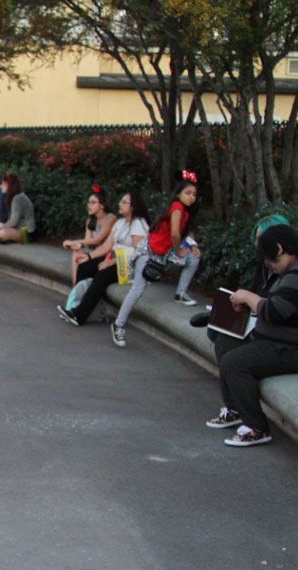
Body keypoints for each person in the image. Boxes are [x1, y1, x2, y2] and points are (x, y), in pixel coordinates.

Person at [213, 224, 298, 446]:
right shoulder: (288, 273)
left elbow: (275, 311)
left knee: (234, 363)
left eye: (271, 260)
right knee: (225, 343)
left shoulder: (296, 275)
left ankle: (257, 428)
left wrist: (249, 298)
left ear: (280, 249)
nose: (269, 265)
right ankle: (235, 408)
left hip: (289, 348)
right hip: (275, 340)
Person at [111, 171, 203, 347]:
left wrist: (192, 246)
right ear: (178, 194)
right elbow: (175, 234)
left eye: (194, 194)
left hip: (164, 254)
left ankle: (180, 293)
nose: (192, 197)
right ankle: (118, 325)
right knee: (138, 289)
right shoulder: (177, 206)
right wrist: (179, 251)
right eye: (188, 193)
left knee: (194, 258)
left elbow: (186, 231)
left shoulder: (185, 211)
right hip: (150, 252)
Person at [57, 191, 150, 326]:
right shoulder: (120, 222)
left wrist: (111, 262)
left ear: (133, 207)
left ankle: (79, 315)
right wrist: (88, 256)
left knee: (102, 273)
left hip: (129, 265)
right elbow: (107, 246)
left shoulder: (138, 224)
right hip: (113, 259)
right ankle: (74, 307)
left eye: (125, 202)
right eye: (121, 201)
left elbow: (137, 252)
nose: (120, 204)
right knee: (84, 267)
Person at [61, 185, 116, 283]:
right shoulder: (90, 221)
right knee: (77, 251)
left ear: (102, 205)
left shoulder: (111, 218)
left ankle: (76, 291)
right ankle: (75, 290)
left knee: (79, 254)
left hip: (106, 254)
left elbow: (97, 240)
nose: (89, 205)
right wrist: (76, 245)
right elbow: (88, 242)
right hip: (93, 253)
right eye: (89, 202)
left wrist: (71, 241)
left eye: (93, 202)